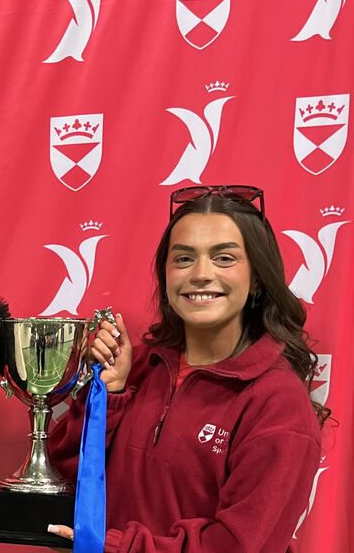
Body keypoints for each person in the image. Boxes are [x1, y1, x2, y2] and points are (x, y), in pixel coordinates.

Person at [45, 185, 327, 552]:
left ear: (257, 277)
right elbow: (66, 474)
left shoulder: (278, 403)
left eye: (224, 258)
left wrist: (115, 547)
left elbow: (238, 545)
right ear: (165, 276)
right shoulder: (142, 366)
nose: (200, 274)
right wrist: (108, 397)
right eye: (183, 259)